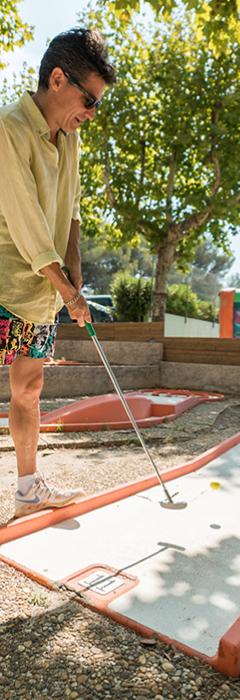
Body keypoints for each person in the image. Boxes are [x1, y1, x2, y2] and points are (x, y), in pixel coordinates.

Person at [0, 29, 116, 518]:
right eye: (89, 100)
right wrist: (68, 291)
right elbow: (27, 224)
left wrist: (75, 271)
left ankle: (27, 491)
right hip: (6, 277)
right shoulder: (8, 129)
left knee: (28, 389)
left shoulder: (69, 140)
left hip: (39, 290)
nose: (91, 114)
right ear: (57, 78)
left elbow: (70, 212)